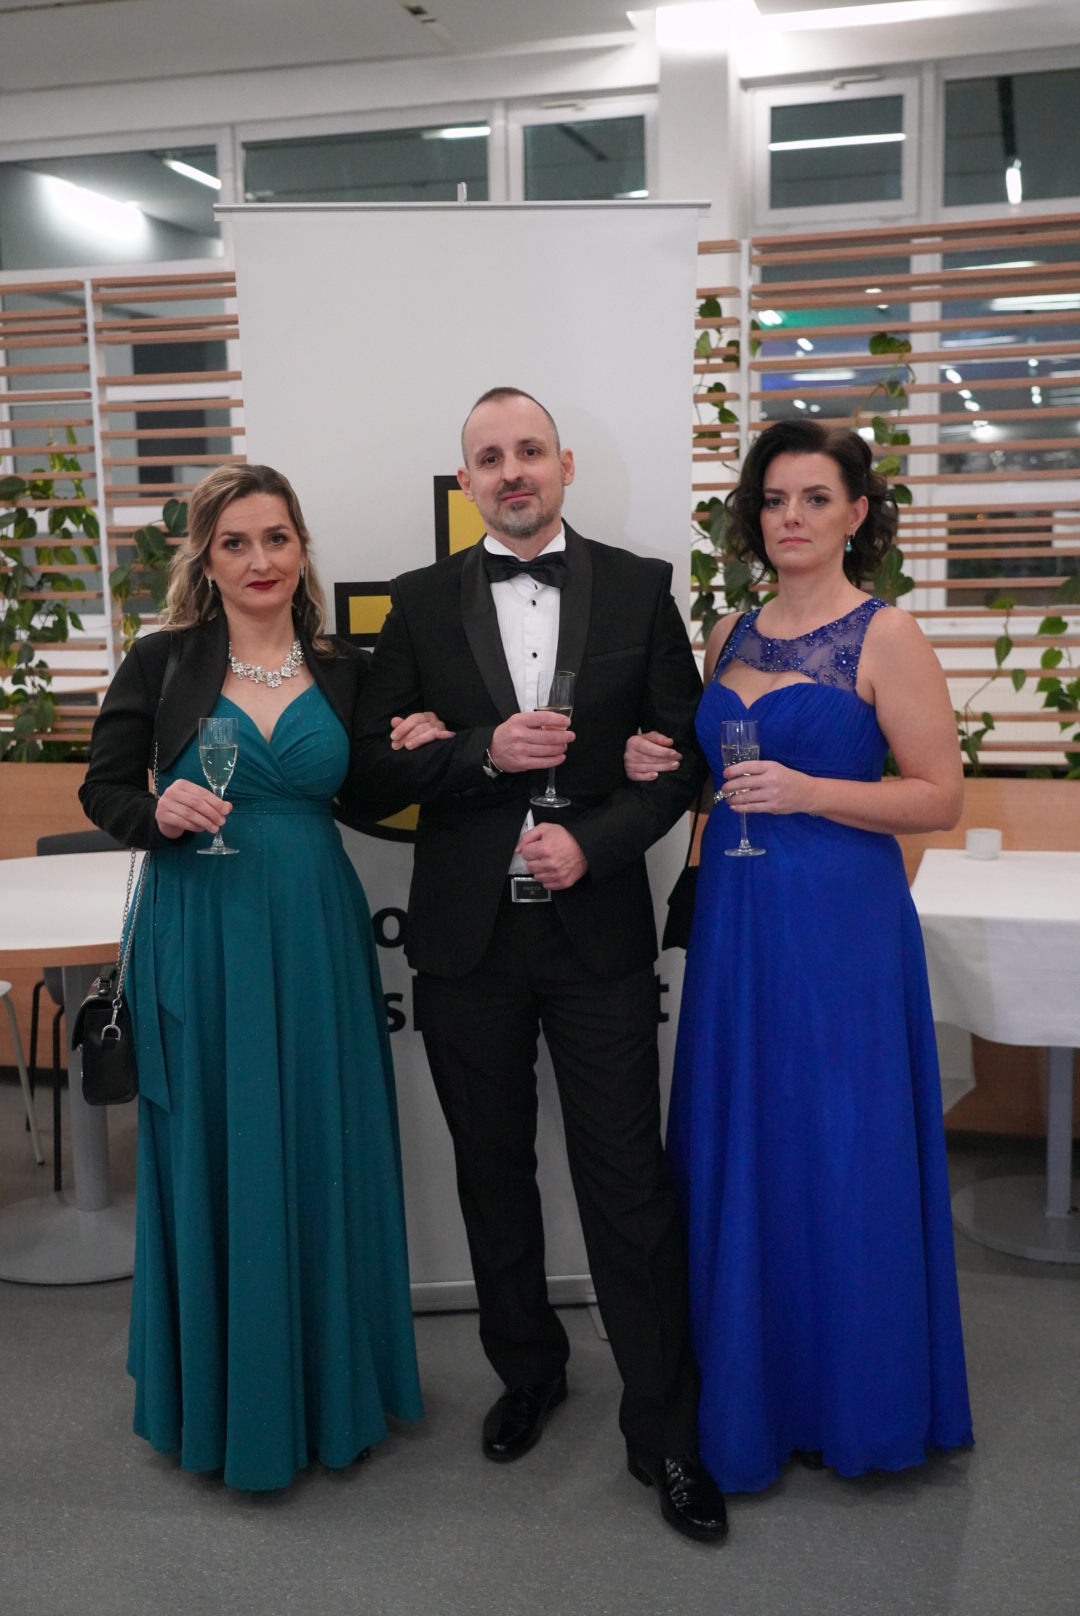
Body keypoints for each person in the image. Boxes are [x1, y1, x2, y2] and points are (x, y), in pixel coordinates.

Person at [353, 387, 727, 1541]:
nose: (511, 470)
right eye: (488, 457)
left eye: (528, 450)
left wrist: (595, 842)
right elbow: (369, 770)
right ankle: (529, 1370)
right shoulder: (417, 602)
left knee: (628, 1180)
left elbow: (682, 761)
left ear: (563, 463)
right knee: (491, 1170)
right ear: (467, 480)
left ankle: (666, 1429)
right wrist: (480, 750)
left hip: (595, 928)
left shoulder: (641, 586)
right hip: (465, 938)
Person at [79, 463, 446, 1491]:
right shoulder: (162, 660)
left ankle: (329, 1390)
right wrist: (157, 812)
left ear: (301, 548)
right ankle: (224, 1398)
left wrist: (423, 747)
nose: (259, 560)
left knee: (320, 1137)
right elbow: (104, 787)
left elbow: (368, 788)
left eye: (276, 538)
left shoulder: (343, 667)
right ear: (206, 558)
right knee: (219, 1142)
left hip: (314, 929)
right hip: (200, 928)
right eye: (235, 542)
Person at [625, 418, 973, 1495]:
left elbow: (940, 798)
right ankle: (753, 1390)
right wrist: (657, 762)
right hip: (738, 920)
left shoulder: (887, 636)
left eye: (816, 498)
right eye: (774, 499)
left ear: (857, 514)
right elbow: (710, 776)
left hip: (839, 926)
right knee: (749, 1140)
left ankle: (851, 1394)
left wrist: (813, 790)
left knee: (840, 1144)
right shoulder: (728, 631)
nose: (792, 517)